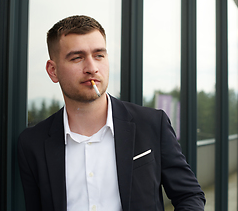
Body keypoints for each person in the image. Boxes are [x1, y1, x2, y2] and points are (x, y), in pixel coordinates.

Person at [18, 15, 205, 211]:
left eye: (99, 55)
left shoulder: (151, 123)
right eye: (77, 58)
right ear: (53, 71)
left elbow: (189, 196)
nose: (92, 68)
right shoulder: (32, 143)